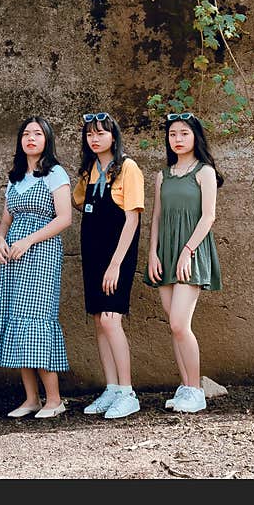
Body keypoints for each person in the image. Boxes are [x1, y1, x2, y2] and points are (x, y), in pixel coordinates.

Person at [0, 116, 72, 419]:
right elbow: (6, 218)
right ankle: (31, 399)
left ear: (47, 139)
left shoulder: (55, 173)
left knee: (37, 319)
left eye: (37, 134)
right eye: (26, 133)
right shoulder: (15, 176)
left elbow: (64, 218)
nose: (31, 138)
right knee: (17, 319)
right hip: (14, 257)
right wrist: (0, 239)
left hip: (42, 254)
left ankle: (54, 399)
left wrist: (29, 240)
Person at [144, 111, 223, 414]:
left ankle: (195, 390)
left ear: (195, 137)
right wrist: (152, 252)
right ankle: (185, 387)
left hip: (190, 252)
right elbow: (157, 217)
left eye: (184, 134)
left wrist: (188, 250)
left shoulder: (204, 172)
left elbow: (209, 216)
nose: (178, 139)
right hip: (165, 254)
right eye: (173, 134)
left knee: (180, 323)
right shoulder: (163, 175)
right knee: (174, 326)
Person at [72, 111, 144, 419]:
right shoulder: (88, 170)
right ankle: (111, 388)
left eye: (101, 133)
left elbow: (132, 218)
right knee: (100, 321)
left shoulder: (128, 168)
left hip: (118, 256)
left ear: (113, 136)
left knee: (113, 319)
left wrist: (116, 264)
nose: (95, 138)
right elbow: (78, 201)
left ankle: (128, 392)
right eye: (90, 134)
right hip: (93, 254)